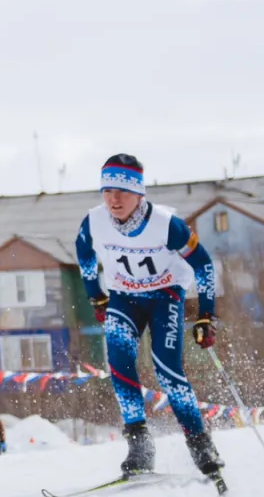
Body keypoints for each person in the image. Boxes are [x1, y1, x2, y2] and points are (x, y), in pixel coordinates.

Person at [73, 154, 223, 480]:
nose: (114, 199)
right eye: (108, 190)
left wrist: (206, 316)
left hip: (164, 295)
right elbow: (84, 255)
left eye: (123, 191)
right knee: (119, 362)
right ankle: (139, 444)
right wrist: (96, 296)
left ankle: (200, 443)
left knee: (167, 369)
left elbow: (204, 265)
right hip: (124, 297)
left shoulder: (167, 225)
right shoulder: (94, 221)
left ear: (139, 193)